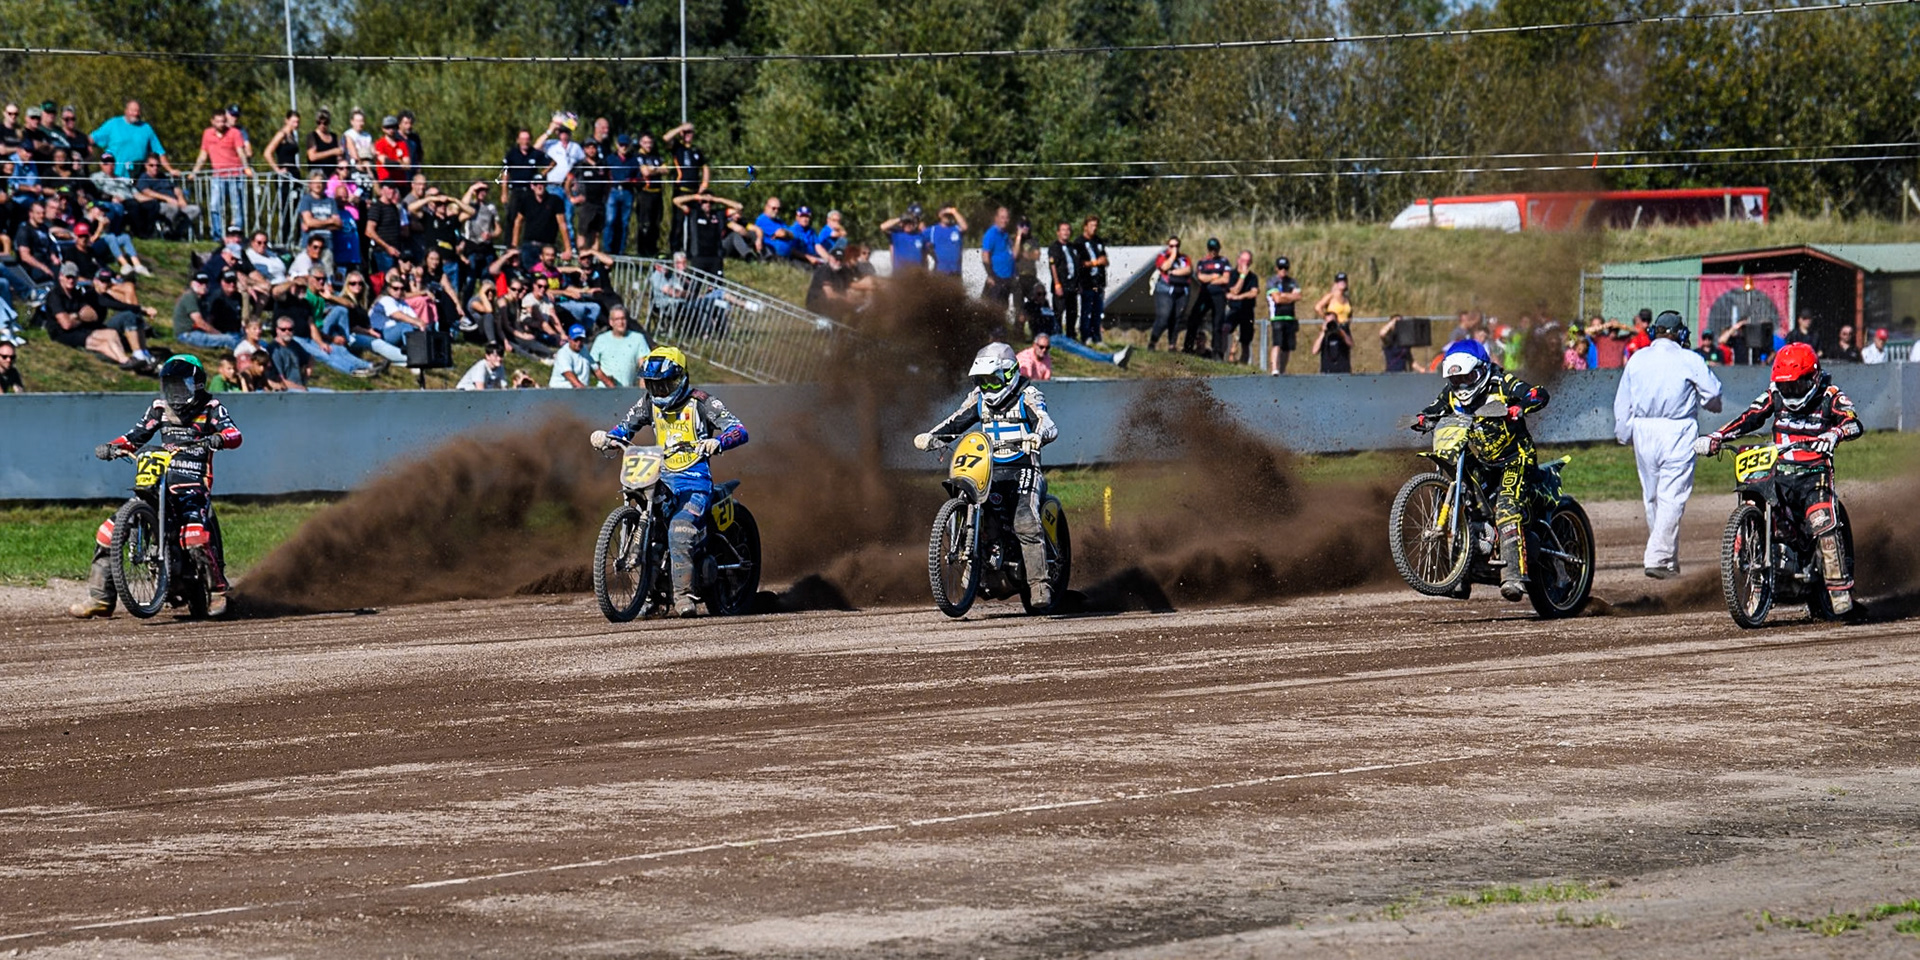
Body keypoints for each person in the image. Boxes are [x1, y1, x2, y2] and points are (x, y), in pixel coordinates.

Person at [1696, 342, 1863, 615]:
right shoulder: (1774, 394)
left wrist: (1834, 434)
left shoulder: (1830, 395)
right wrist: (1717, 436)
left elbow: (1853, 422)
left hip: (1814, 475)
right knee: (1762, 509)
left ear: (1813, 377)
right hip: (1778, 472)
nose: (1790, 392)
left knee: (1822, 521)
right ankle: (1759, 585)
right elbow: (1750, 417)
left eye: (1796, 386)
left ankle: (1838, 588)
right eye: (1786, 386)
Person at [590, 347, 749, 617]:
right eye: (654, 384)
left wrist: (718, 441)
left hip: (694, 482)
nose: (661, 390)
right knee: (649, 528)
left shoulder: (702, 401)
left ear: (681, 378)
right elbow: (625, 427)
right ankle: (649, 593)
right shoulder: (648, 402)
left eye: (666, 383)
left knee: (680, 530)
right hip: (658, 476)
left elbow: (739, 429)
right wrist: (608, 437)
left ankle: (684, 596)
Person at [89, 355, 243, 617]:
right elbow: (134, 437)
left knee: (194, 535)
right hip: (157, 477)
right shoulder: (159, 408)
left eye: (180, 385)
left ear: (196, 385)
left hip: (193, 481)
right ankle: (101, 599)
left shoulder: (212, 407)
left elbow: (234, 434)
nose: (175, 392)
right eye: (170, 385)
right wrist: (114, 447)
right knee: (107, 531)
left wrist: (218, 438)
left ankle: (217, 591)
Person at [913, 342, 1060, 609]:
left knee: (1025, 521)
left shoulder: (1028, 395)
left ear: (1010, 373)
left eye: (993, 381)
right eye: (982, 381)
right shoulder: (978, 398)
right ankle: (975, 569)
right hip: (989, 469)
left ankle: (1040, 585)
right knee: (971, 502)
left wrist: (1037, 437)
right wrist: (933, 436)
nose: (988, 387)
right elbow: (955, 421)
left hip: (1024, 469)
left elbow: (1046, 423)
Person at [1412, 340, 1550, 601]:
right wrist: (1423, 418)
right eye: (1457, 380)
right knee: (1461, 502)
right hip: (1481, 461)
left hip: (1515, 458)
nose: (1462, 385)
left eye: (1468, 377)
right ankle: (1458, 576)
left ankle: (1513, 575)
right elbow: (1435, 408)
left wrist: (1519, 407)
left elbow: (1537, 393)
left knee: (1507, 506)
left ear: (1482, 369)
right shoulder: (1451, 393)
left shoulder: (1501, 381)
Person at [1613, 311, 1724, 579]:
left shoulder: (1637, 358)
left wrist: (1623, 433)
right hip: (1677, 428)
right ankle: (1658, 557)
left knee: (1652, 498)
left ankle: (1667, 561)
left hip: (1643, 429)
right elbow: (1713, 394)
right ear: (1679, 334)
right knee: (1672, 497)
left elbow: (1622, 401)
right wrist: (1710, 406)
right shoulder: (1689, 359)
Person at [1183, 238, 1230, 356]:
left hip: (1219, 295)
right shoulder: (1202, 262)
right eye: (1211, 249)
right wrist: (1215, 276)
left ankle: (1217, 351)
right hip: (1204, 294)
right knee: (1194, 318)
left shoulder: (1224, 261)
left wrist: (1209, 279)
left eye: (1215, 249)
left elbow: (1226, 279)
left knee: (1217, 322)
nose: (1213, 252)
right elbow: (1200, 278)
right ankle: (1188, 348)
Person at [1146, 237, 1191, 351]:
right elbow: (1164, 267)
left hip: (1181, 291)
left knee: (1176, 317)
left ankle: (1172, 345)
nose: (1174, 248)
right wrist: (1172, 256)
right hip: (1165, 290)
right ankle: (1153, 341)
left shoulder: (1184, 258)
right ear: (1168, 246)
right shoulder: (1162, 256)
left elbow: (1188, 270)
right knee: (1164, 317)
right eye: (1171, 246)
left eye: (1176, 246)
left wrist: (1173, 272)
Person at [590, 305, 650, 387]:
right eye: (617, 319)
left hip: (627, 390)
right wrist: (607, 381)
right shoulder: (601, 339)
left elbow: (644, 366)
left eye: (623, 318)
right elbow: (592, 365)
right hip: (604, 390)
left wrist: (642, 391)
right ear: (611, 322)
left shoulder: (638, 338)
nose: (621, 322)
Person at [1072, 216, 1109, 346]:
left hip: (1098, 282)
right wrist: (1095, 263)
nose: (1094, 228)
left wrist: (1104, 261)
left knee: (1097, 311)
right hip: (1087, 282)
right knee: (1086, 311)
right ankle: (1085, 336)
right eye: (1092, 225)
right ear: (1085, 227)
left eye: (1096, 226)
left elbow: (1104, 258)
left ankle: (1097, 337)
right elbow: (1079, 263)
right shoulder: (1078, 243)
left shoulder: (1098, 241)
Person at [1264, 257, 1303, 375]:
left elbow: (1298, 296)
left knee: (1287, 347)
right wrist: (1289, 296)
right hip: (1277, 317)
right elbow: (1277, 299)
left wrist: (1283, 295)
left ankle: (1283, 370)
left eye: (1285, 268)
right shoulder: (1272, 281)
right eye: (1281, 268)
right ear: (1276, 268)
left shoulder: (1292, 282)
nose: (1283, 270)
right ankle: (1274, 368)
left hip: (1290, 317)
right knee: (1277, 343)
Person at [1223, 250, 1260, 365]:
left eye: (1248, 261)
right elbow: (1234, 290)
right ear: (1238, 260)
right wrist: (1242, 276)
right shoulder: (1232, 275)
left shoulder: (1253, 277)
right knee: (1225, 329)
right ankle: (1223, 357)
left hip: (1247, 311)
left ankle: (1243, 365)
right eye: (1243, 260)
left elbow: (1254, 292)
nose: (1246, 264)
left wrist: (1239, 297)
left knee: (1246, 340)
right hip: (1233, 309)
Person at [1044, 221, 1079, 340]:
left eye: (1068, 230)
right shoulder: (1054, 247)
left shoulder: (1072, 247)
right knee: (1058, 312)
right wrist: (1057, 283)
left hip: (1072, 285)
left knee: (1073, 312)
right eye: (1063, 230)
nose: (1066, 232)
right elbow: (1053, 266)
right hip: (1061, 285)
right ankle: (1057, 336)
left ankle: (1071, 335)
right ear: (1058, 232)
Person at [979, 207, 1017, 313]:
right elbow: (985, 255)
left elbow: (1012, 254)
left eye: (1006, 218)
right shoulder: (991, 234)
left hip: (1007, 278)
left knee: (1003, 309)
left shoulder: (1006, 234)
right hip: (997, 278)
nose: (1004, 220)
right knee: (992, 310)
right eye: (1002, 217)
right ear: (996, 218)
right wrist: (990, 275)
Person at [882, 205, 931, 274]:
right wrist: (900, 218)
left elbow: (924, 257)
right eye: (907, 222)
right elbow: (883, 227)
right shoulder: (897, 234)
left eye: (911, 223)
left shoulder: (920, 237)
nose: (909, 225)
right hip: (900, 274)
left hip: (917, 274)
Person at [929, 205, 967, 277]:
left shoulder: (956, 228)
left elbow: (964, 227)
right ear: (939, 215)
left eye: (949, 216)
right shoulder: (933, 230)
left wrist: (954, 212)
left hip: (956, 271)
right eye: (945, 215)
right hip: (940, 272)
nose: (947, 217)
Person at [1312, 309, 1352, 374]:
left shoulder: (1343, 332)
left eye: (1332, 322)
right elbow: (1314, 351)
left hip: (1343, 371)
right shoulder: (1323, 335)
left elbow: (1350, 344)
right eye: (1328, 322)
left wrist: (1341, 332)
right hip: (1327, 371)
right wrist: (1323, 332)